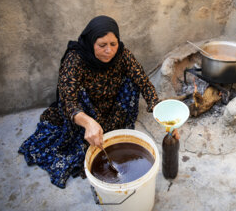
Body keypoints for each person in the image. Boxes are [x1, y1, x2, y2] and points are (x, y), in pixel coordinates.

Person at [18, 15, 179, 189]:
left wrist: (166, 120)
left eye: (113, 44)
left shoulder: (122, 54)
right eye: (102, 45)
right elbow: (68, 101)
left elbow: (144, 83)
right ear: (91, 42)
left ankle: (111, 126)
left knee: (132, 82)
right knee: (76, 131)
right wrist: (87, 122)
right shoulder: (75, 59)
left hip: (111, 109)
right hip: (85, 112)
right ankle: (91, 130)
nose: (109, 51)